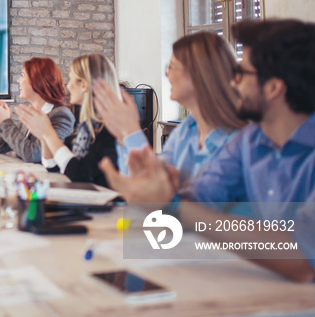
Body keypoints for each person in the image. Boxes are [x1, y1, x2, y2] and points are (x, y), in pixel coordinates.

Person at [100, 19, 315, 282]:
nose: (233, 82)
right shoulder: (250, 141)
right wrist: (160, 196)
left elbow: (303, 258)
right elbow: (200, 197)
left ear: (273, 88)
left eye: (241, 73)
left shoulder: (241, 138)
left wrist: (169, 204)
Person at [95, 31, 245, 183]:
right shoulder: (187, 129)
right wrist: (123, 136)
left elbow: (158, 192)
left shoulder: (238, 141)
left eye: (171, 67)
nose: (167, 75)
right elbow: (143, 189)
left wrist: (131, 132)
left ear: (197, 74)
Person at [17, 54, 121, 186]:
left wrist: (48, 132)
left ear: (84, 85)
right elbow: (52, 165)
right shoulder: (86, 127)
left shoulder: (110, 129)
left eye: (71, 79)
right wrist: (44, 135)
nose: (68, 86)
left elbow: (79, 175)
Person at [0, 57, 75, 163]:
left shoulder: (61, 115)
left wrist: (5, 123)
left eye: (23, 75)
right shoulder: (33, 112)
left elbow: (33, 155)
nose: (18, 80)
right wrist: (0, 125)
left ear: (38, 80)